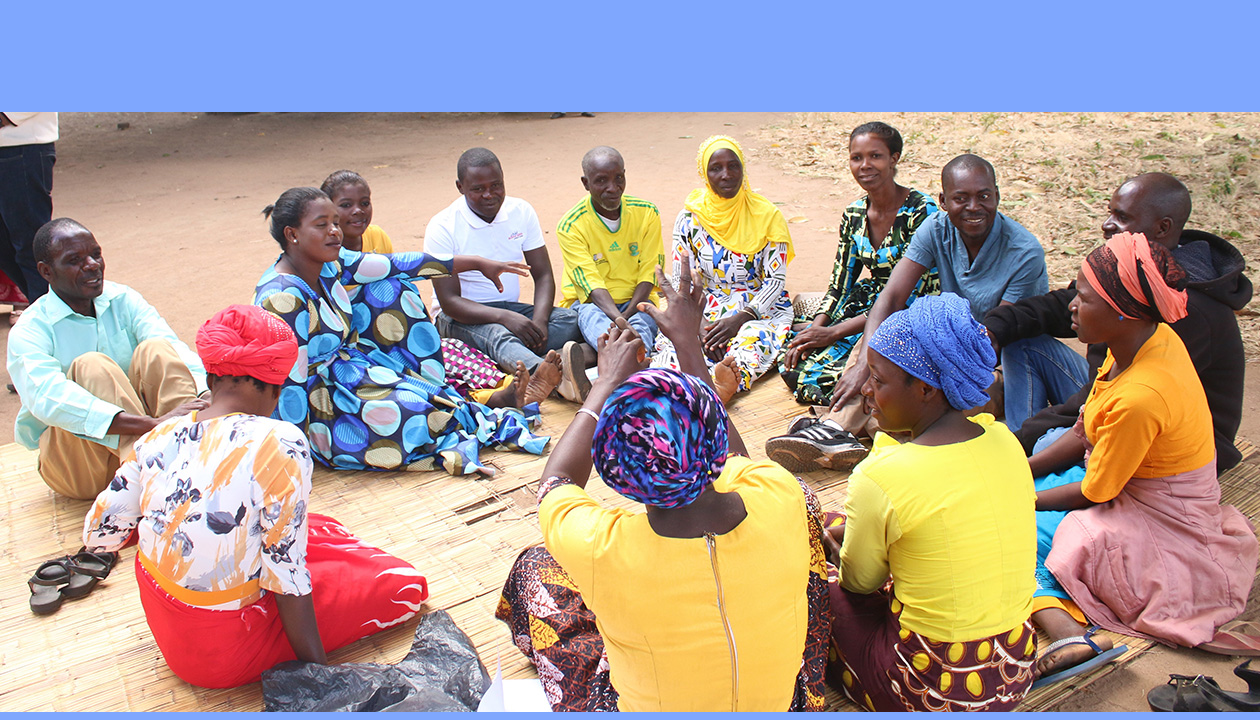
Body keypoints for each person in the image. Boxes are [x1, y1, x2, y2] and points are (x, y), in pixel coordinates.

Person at [496, 257, 829, 712]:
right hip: (783, 705)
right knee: (807, 514)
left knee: (535, 568)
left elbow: (554, 483)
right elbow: (737, 460)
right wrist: (688, 342)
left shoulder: (602, 547)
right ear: (712, 440)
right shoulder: (780, 496)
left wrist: (605, 383)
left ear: (619, 473)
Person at [82, 304, 429, 689]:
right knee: (402, 585)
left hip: (167, 622)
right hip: (224, 647)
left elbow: (101, 534)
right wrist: (321, 676)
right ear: (273, 384)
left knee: (320, 529)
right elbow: (287, 577)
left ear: (210, 374)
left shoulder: (159, 436)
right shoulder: (279, 441)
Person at [1030, 232, 1257, 684]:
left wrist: (1014, 497)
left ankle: (1069, 629)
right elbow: (1084, 428)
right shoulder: (1144, 342)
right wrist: (1017, 472)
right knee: (1041, 451)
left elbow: (1097, 490)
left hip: (1155, 514)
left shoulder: (1142, 394)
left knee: (1011, 535)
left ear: (1122, 311)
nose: (1072, 306)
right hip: (1127, 474)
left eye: (1084, 297)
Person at [768, 154, 1049, 470]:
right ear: (943, 201)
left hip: (994, 368)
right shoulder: (937, 228)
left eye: (984, 196)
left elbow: (989, 344)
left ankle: (844, 429)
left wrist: (921, 361)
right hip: (946, 343)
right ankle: (841, 430)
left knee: (919, 396)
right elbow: (889, 298)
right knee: (890, 334)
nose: (974, 207)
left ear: (997, 195)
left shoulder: (1024, 253)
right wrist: (864, 365)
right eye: (961, 198)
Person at [827, 292, 1037, 711]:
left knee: (811, 567)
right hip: (1014, 668)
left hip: (931, 688)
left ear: (924, 389)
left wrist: (832, 558)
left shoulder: (882, 476)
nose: (866, 392)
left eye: (878, 379)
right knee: (848, 525)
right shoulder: (1003, 439)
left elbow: (858, 584)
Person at [253, 186, 549, 475]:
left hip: (351, 370)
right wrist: (296, 446)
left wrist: (476, 263)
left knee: (391, 289)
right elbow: (290, 381)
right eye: (322, 225)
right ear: (292, 235)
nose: (335, 231)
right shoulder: (282, 296)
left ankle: (471, 400)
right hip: (319, 401)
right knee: (414, 416)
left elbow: (396, 265)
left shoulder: (330, 264)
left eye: (334, 222)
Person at [985, 173, 1252, 475]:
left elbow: (1111, 397)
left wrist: (1024, 443)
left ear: (1162, 228)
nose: (1107, 225)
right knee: (1023, 340)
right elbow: (1069, 304)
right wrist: (995, 327)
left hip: (1172, 439)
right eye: (1110, 212)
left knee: (1048, 446)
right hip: (1108, 397)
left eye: (1122, 217)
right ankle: (1018, 452)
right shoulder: (1137, 271)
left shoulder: (1182, 308)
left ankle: (1018, 457)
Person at [768, 122, 938, 471]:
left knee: (871, 367)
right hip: (864, 309)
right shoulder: (854, 214)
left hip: (912, 310)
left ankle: (832, 427)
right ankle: (879, 434)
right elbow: (839, 283)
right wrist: (817, 329)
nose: (865, 166)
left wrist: (835, 332)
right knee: (806, 372)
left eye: (875, 156)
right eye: (856, 158)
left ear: (894, 158)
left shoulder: (922, 212)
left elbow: (909, 295)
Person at [7, 218, 209, 499]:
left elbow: (175, 350)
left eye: (96, 254)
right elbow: (49, 399)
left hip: (152, 446)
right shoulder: (31, 328)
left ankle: (194, 453)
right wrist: (149, 425)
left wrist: (205, 395)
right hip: (79, 469)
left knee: (157, 349)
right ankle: (151, 475)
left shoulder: (122, 299)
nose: (92, 264)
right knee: (92, 366)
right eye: (75, 260)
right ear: (46, 271)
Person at [319, 168, 556, 407]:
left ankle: (506, 390)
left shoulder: (376, 236)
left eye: (365, 203)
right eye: (346, 205)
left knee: (449, 352)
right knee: (406, 371)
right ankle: (498, 396)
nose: (358, 211)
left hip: (390, 333)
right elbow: (406, 268)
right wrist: (476, 263)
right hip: (353, 343)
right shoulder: (324, 252)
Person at [426, 148, 587, 401]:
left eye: (496, 185)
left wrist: (540, 322)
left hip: (508, 310)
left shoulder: (520, 211)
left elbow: (543, 274)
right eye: (478, 189)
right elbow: (449, 302)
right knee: (497, 334)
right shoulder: (443, 226)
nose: (489, 194)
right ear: (460, 187)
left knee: (569, 320)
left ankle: (517, 357)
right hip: (457, 318)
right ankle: (551, 377)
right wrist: (506, 318)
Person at [650, 135, 794, 405]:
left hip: (756, 307)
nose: (726, 175)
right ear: (705, 174)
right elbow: (684, 278)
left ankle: (722, 388)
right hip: (704, 305)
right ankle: (680, 388)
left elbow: (775, 281)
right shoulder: (690, 218)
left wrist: (740, 319)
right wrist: (699, 325)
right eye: (716, 168)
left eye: (733, 166)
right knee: (676, 347)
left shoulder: (768, 216)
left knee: (751, 344)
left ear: (743, 169)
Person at [558, 146, 662, 349]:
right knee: (592, 318)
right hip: (593, 304)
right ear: (585, 183)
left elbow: (649, 273)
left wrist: (626, 316)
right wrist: (619, 320)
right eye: (601, 181)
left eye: (619, 178)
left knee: (643, 321)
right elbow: (590, 284)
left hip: (637, 301)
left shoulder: (647, 213)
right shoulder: (570, 226)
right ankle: (634, 361)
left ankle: (620, 361)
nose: (613, 188)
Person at [0, 111, 57, 304]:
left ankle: (49, 322)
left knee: (31, 248)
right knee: (5, 247)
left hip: (22, 146)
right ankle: (43, 311)